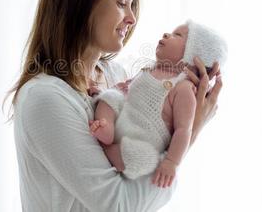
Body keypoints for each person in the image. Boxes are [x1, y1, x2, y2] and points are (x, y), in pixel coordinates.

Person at [6, 0, 223, 212]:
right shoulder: (45, 99)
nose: (132, 18)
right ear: (81, 2)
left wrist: (188, 95)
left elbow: (149, 145)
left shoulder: (118, 77)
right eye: (122, 3)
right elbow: (119, 205)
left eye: (132, 6)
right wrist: (192, 131)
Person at [88, 20, 227, 187]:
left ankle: (107, 150)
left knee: (145, 159)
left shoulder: (183, 88)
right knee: (111, 96)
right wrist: (106, 91)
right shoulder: (150, 69)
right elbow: (125, 88)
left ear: (193, 55)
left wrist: (171, 162)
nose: (166, 34)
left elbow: (184, 129)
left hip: (139, 140)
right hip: (123, 118)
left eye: (177, 35)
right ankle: (106, 128)